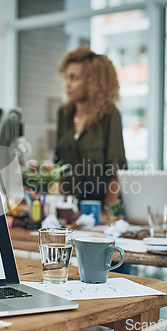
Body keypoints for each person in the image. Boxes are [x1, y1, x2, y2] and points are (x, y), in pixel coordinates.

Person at [55, 46, 127, 211]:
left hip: (103, 211)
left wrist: (107, 213)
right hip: (74, 212)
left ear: (93, 81)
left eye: (74, 78)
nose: (67, 84)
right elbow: (60, 166)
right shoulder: (64, 114)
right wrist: (64, 207)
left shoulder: (109, 114)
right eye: (66, 77)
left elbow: (115, 171)